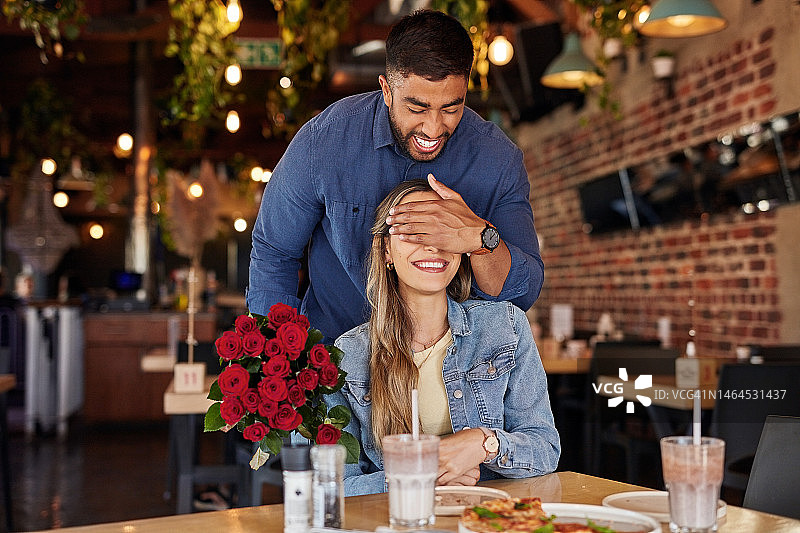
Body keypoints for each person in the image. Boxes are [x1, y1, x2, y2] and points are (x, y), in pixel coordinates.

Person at [247, 9, 544, 341]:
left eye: (451, 108)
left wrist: (480, 238)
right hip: (336, 365)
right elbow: (275, 252)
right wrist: (277, 360)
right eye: (417, 108)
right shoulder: (325, 142)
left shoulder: (498, 160)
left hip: (450, 375)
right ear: (386, 90)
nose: (433, 128)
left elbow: (521, 294)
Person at [326, 179, 560, 496]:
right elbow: (332, 485)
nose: (433, 246)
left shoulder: (505, 326)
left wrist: (483, 443)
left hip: (491, 520)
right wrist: (421, 474)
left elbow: (545, 448)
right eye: (414, 233)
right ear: (386, 251)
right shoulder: (347, 355)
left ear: (462, 249)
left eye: (444, 232)